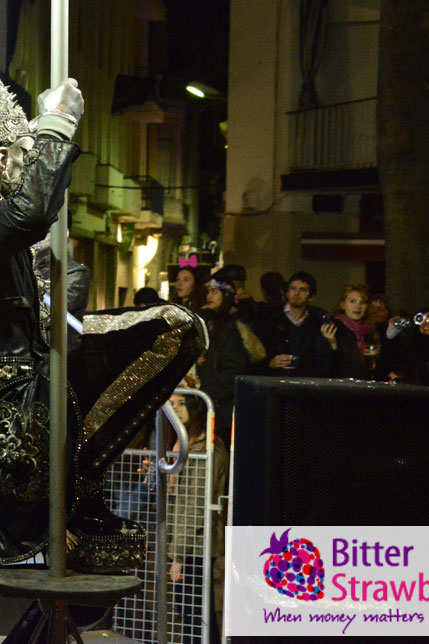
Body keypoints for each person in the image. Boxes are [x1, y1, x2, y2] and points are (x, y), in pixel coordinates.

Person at [0, 54, 204, 574]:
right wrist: (57, 122)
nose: (32, 167)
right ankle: (73, 495)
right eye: (26, 156)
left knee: (176, 331)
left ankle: (81, 483)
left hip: (44, 386)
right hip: (17, 417)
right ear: (3, 160)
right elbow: (32, 212)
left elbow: (63, 279)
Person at [165, 392, 228, 644]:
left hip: (195, 546)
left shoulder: (206, 450)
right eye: (171, 404)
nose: (176, 409)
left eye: (182, 403)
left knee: (195, 617)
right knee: (192, 615)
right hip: (191, 542)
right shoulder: (185, 445)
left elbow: (194, 507)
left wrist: (178, 555)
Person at [195, 277, 265, 445]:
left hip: (222, 405)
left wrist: (211, 395)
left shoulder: (233, 327)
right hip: (210, 399)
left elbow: (232, 369)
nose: (209, 296)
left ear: (226, 295)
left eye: (214, 292)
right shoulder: (209, 321)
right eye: (208, 292)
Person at [266, 271, 344, 378]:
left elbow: (325, 362)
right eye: (293, 288)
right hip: (275, 381)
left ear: (311, 297)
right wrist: (270, 363)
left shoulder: (318, 321)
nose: (296, 293)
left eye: (302, 290)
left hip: (307, 383)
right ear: (287, 293)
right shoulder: (270, 317)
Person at [334, 283, 374, 379]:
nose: (358, 306)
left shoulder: (369, 331)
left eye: (362, 302)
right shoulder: (335, 329)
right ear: (342, 305)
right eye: (352, 301)